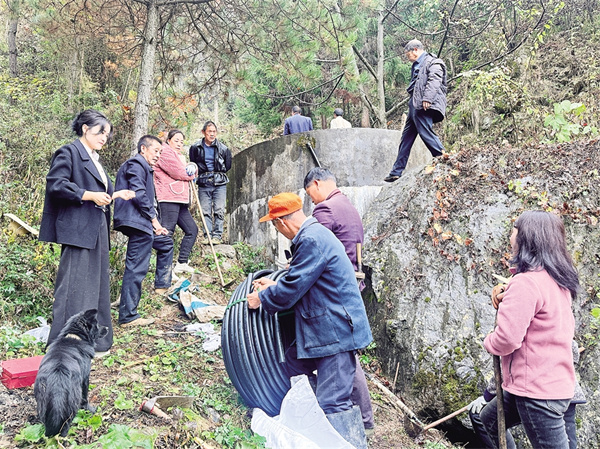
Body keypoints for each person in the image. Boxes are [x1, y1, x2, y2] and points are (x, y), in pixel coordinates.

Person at [247, 192, 372, 448]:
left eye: (274, 225)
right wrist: (275, 285)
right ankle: (308, 419)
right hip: (326, 327)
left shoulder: (311, 239)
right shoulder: (314, 235)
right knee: (293, 362)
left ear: (281, 222)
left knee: (333, 402)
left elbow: (293, 288)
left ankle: (348, 443)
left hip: (335, 331)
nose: (277, 230)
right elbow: (305, 279)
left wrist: (262, 298)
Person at [479, 211, 579, 449]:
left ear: (526, 237)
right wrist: (509, 293)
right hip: (556, 384)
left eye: (514, 229)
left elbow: (507, 339)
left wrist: (489, 341)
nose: (510, 235)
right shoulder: (558, 279)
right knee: (489, 420)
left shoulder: (526, 283)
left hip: (537, 392)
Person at [39, 110, 135, 356]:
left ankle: (94, 343)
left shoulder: (94, 159)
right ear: (85, 128)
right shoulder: (69, 152)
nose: (104, 137)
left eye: (107, 133)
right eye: (100, 131)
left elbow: (98, 193)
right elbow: (57, 184)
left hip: (97, 227)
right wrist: (90, 195)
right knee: (72, 287)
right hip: (77, 229)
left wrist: (114, 195)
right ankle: (61, 347)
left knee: (96, 286)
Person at [303, 167, 374, 433]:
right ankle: (364, 419)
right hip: (352, 284)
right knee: (347, 354)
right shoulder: (348, 205)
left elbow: (313, 250)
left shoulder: (325, 210)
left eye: (309, 193)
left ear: (317, 184)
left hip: (334, 289)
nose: (311, 200)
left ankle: (360, 420)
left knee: (342, 354)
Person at [113, 135, 174, 327]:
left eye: (160, 152)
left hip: (141, 222)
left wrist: (155, 224)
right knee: (136, 268)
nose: (158, 155)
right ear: (143, 149)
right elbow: (138, 194)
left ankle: (161, 287)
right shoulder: (136, 164)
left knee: (165, 243)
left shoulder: (144, 167)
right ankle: (128, 316)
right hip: (137, 222)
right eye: (155, 151)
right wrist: (154, 221)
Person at [384, 39, 447, 182]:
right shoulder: (418, 64)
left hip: (423, 104)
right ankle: (396, 171)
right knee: (406, 138)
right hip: (415, 104)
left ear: (415, 50)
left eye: (408, 55)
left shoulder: (433, 62)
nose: (408, 58)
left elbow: (435, 80)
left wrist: (428, 98)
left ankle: (443, 158)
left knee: (426, 132)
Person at [154, 130, 198, 274]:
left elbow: (184, 169)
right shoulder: (165, 152)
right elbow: (179, 172)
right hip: (168, 198)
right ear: (169, 141)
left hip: (180, 199)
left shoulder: (178, 155)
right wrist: (192, 173)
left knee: (192, 230)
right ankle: (165, 270)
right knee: (167, 232)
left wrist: (193, 166)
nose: (179, 144)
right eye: (176, 140)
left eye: (181, 141)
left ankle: (181, 263)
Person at [189, 121, 232, 244]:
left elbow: (227, 165)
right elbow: (193, 162)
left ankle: (217, 236)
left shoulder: (224, 148)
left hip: (219, 182)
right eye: (209, 131)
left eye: (214, 131)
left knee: (219, 209)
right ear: (203, 132)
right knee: (205, 210)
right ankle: (207, 235)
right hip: (204, 182)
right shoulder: (195, 148)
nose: (212, 134)